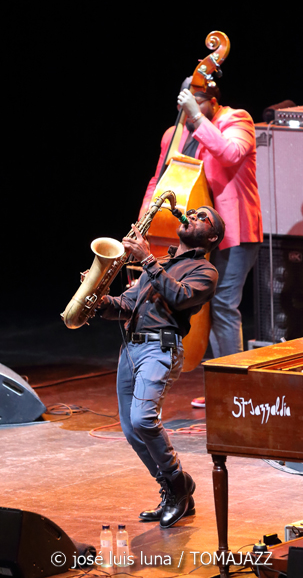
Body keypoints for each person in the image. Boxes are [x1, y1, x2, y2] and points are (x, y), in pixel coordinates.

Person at [97, 205, 225, 528]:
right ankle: (174, 489)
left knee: (142, 419)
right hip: (130, 349)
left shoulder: (205, 271)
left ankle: (178, 484)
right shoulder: (161, 264)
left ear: (212, 237)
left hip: (160, 347)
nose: (191, 216)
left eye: (202, 217)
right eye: (192, 212)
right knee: (131, 429)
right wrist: (98, 300)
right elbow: (127, 305)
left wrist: (146, 259)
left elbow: (180, 297)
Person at [139, 80, 263, 407]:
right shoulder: (174, 133)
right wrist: (144, 219)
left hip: (235, 231)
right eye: (184, 102)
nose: (189, 108)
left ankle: (235, 390)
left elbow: (230, 153)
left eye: (196, 101)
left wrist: (197, 118)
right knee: (199, 305)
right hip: (196, 236)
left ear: (212, 100)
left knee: (223, 304)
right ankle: (219, 388)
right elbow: (159, 180)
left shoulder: (237, 120)